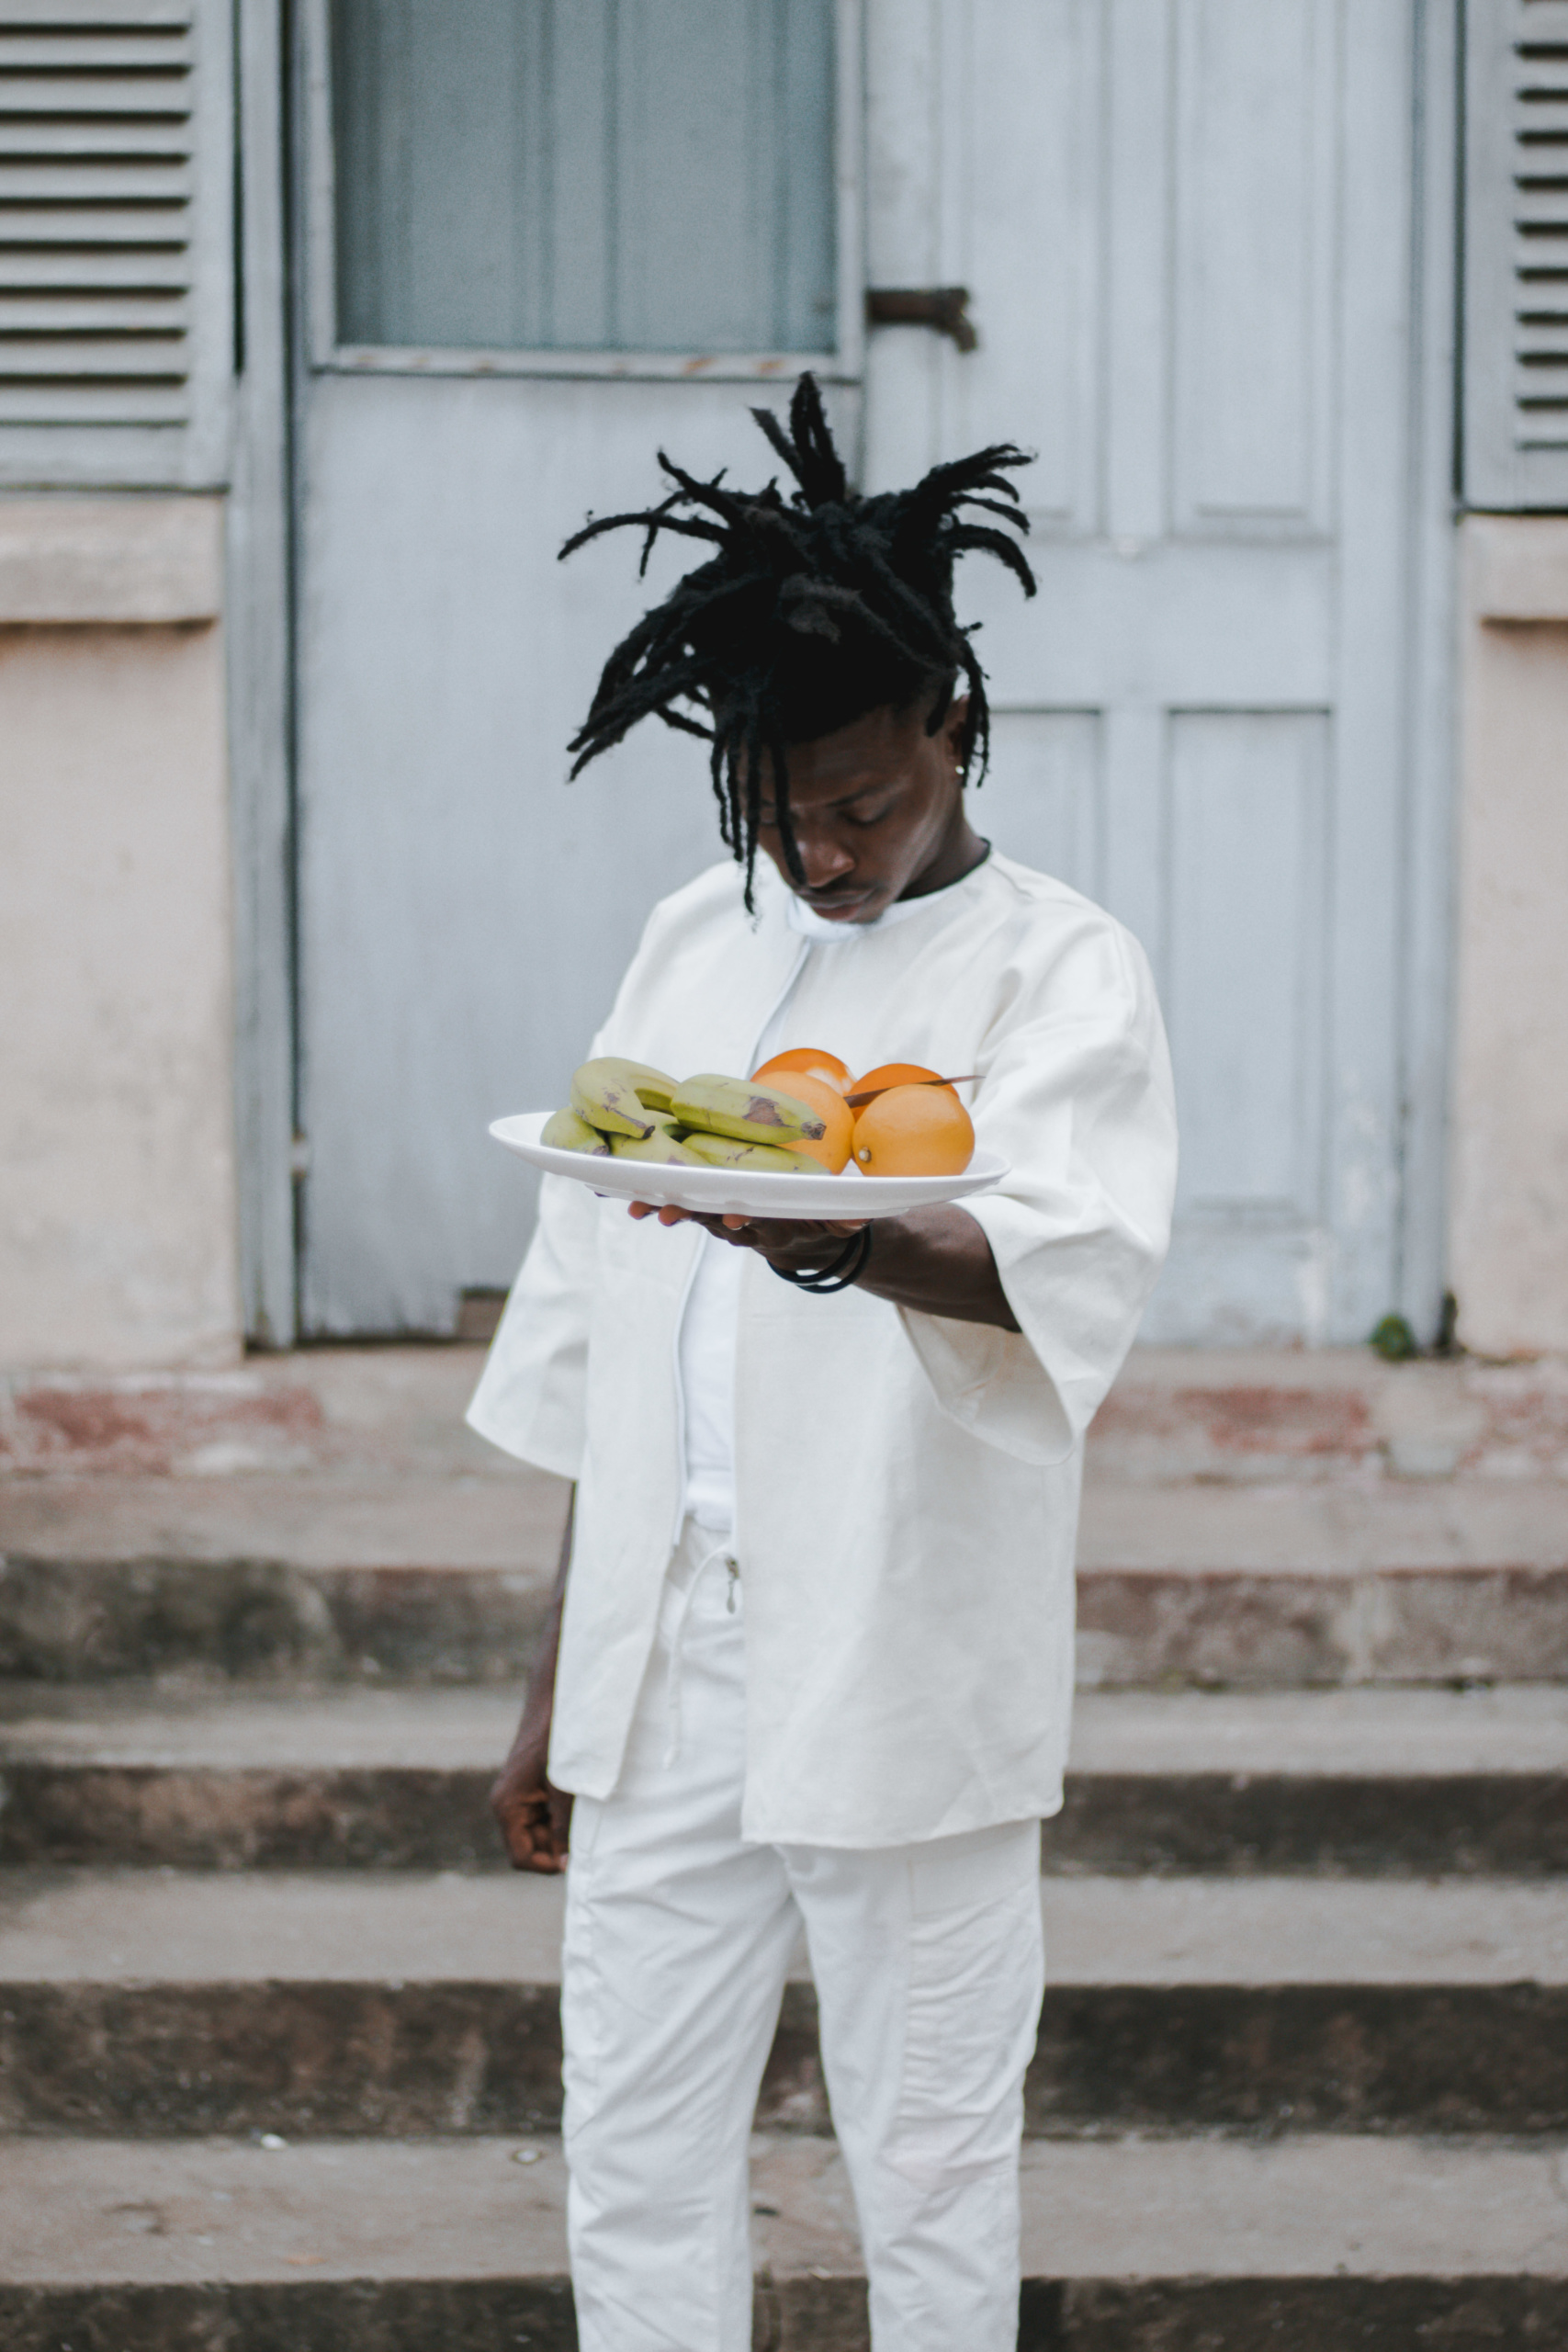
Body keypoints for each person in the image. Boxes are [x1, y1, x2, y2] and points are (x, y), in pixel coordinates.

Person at [468, 376, 1179, 2352]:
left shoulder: (1058, 969)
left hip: (899, 1648)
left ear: (951, 722)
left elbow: (1063, 1266)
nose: (819, 851)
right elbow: (600, 1341)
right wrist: (557, 1684)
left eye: (859, 804)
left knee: (930, 2170)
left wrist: (846, 1238)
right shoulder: (694, 938)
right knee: (633, 2155)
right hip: (663, 1663)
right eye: (776, 809)